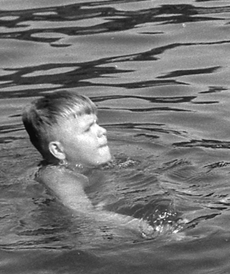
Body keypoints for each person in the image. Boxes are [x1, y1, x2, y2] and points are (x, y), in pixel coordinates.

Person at [22, 91, 170, 236]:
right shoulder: (59, 177)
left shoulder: (81, 167)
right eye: (88, 129)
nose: (102, 131)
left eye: (97, 123)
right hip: (66, 234)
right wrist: (139, 226)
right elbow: (82, 212)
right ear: (58, 150)